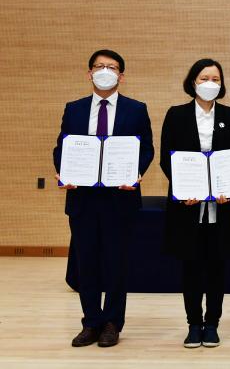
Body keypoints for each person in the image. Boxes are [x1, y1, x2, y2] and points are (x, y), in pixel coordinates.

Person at [53, 49, 154, 347]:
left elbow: (146, 148)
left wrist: (136, 173)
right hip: (83, 199)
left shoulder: (136, 109)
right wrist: (63, 171)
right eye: (99, 66)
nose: (105, 71)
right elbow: (62, 147)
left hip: (120, 199)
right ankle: (91, 322)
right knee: (86, 263)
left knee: (116, 264)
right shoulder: (74, 109)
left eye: (112, 67)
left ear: (121, 76)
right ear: (89, 73)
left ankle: (112, 323)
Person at [160, 58, 230, 348]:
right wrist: (184, 189)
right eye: (204, 78)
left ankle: (212, 324)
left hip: (221, 205)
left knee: (217, 266)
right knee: (191, 266)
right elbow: (167, 158)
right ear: (193, 82)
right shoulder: (176, 114)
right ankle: (193, 324)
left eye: (215, 79)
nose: (210, 83)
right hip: (188, 206)